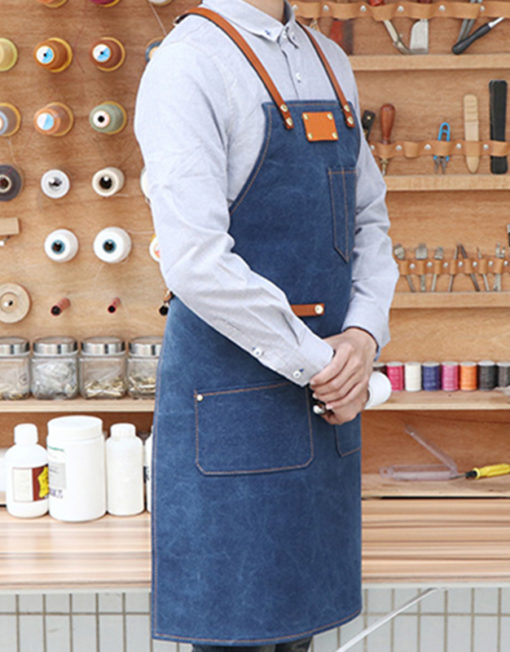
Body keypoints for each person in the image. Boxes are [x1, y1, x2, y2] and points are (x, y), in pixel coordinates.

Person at [134, 0, 398, 650]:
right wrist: (326, 365)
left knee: (299, 637)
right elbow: (196, 262)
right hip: (236, 407)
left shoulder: (329, 61)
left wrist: (363, 334)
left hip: (324, 404)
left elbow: (369, 219)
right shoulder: (187, 65)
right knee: (238, 636)